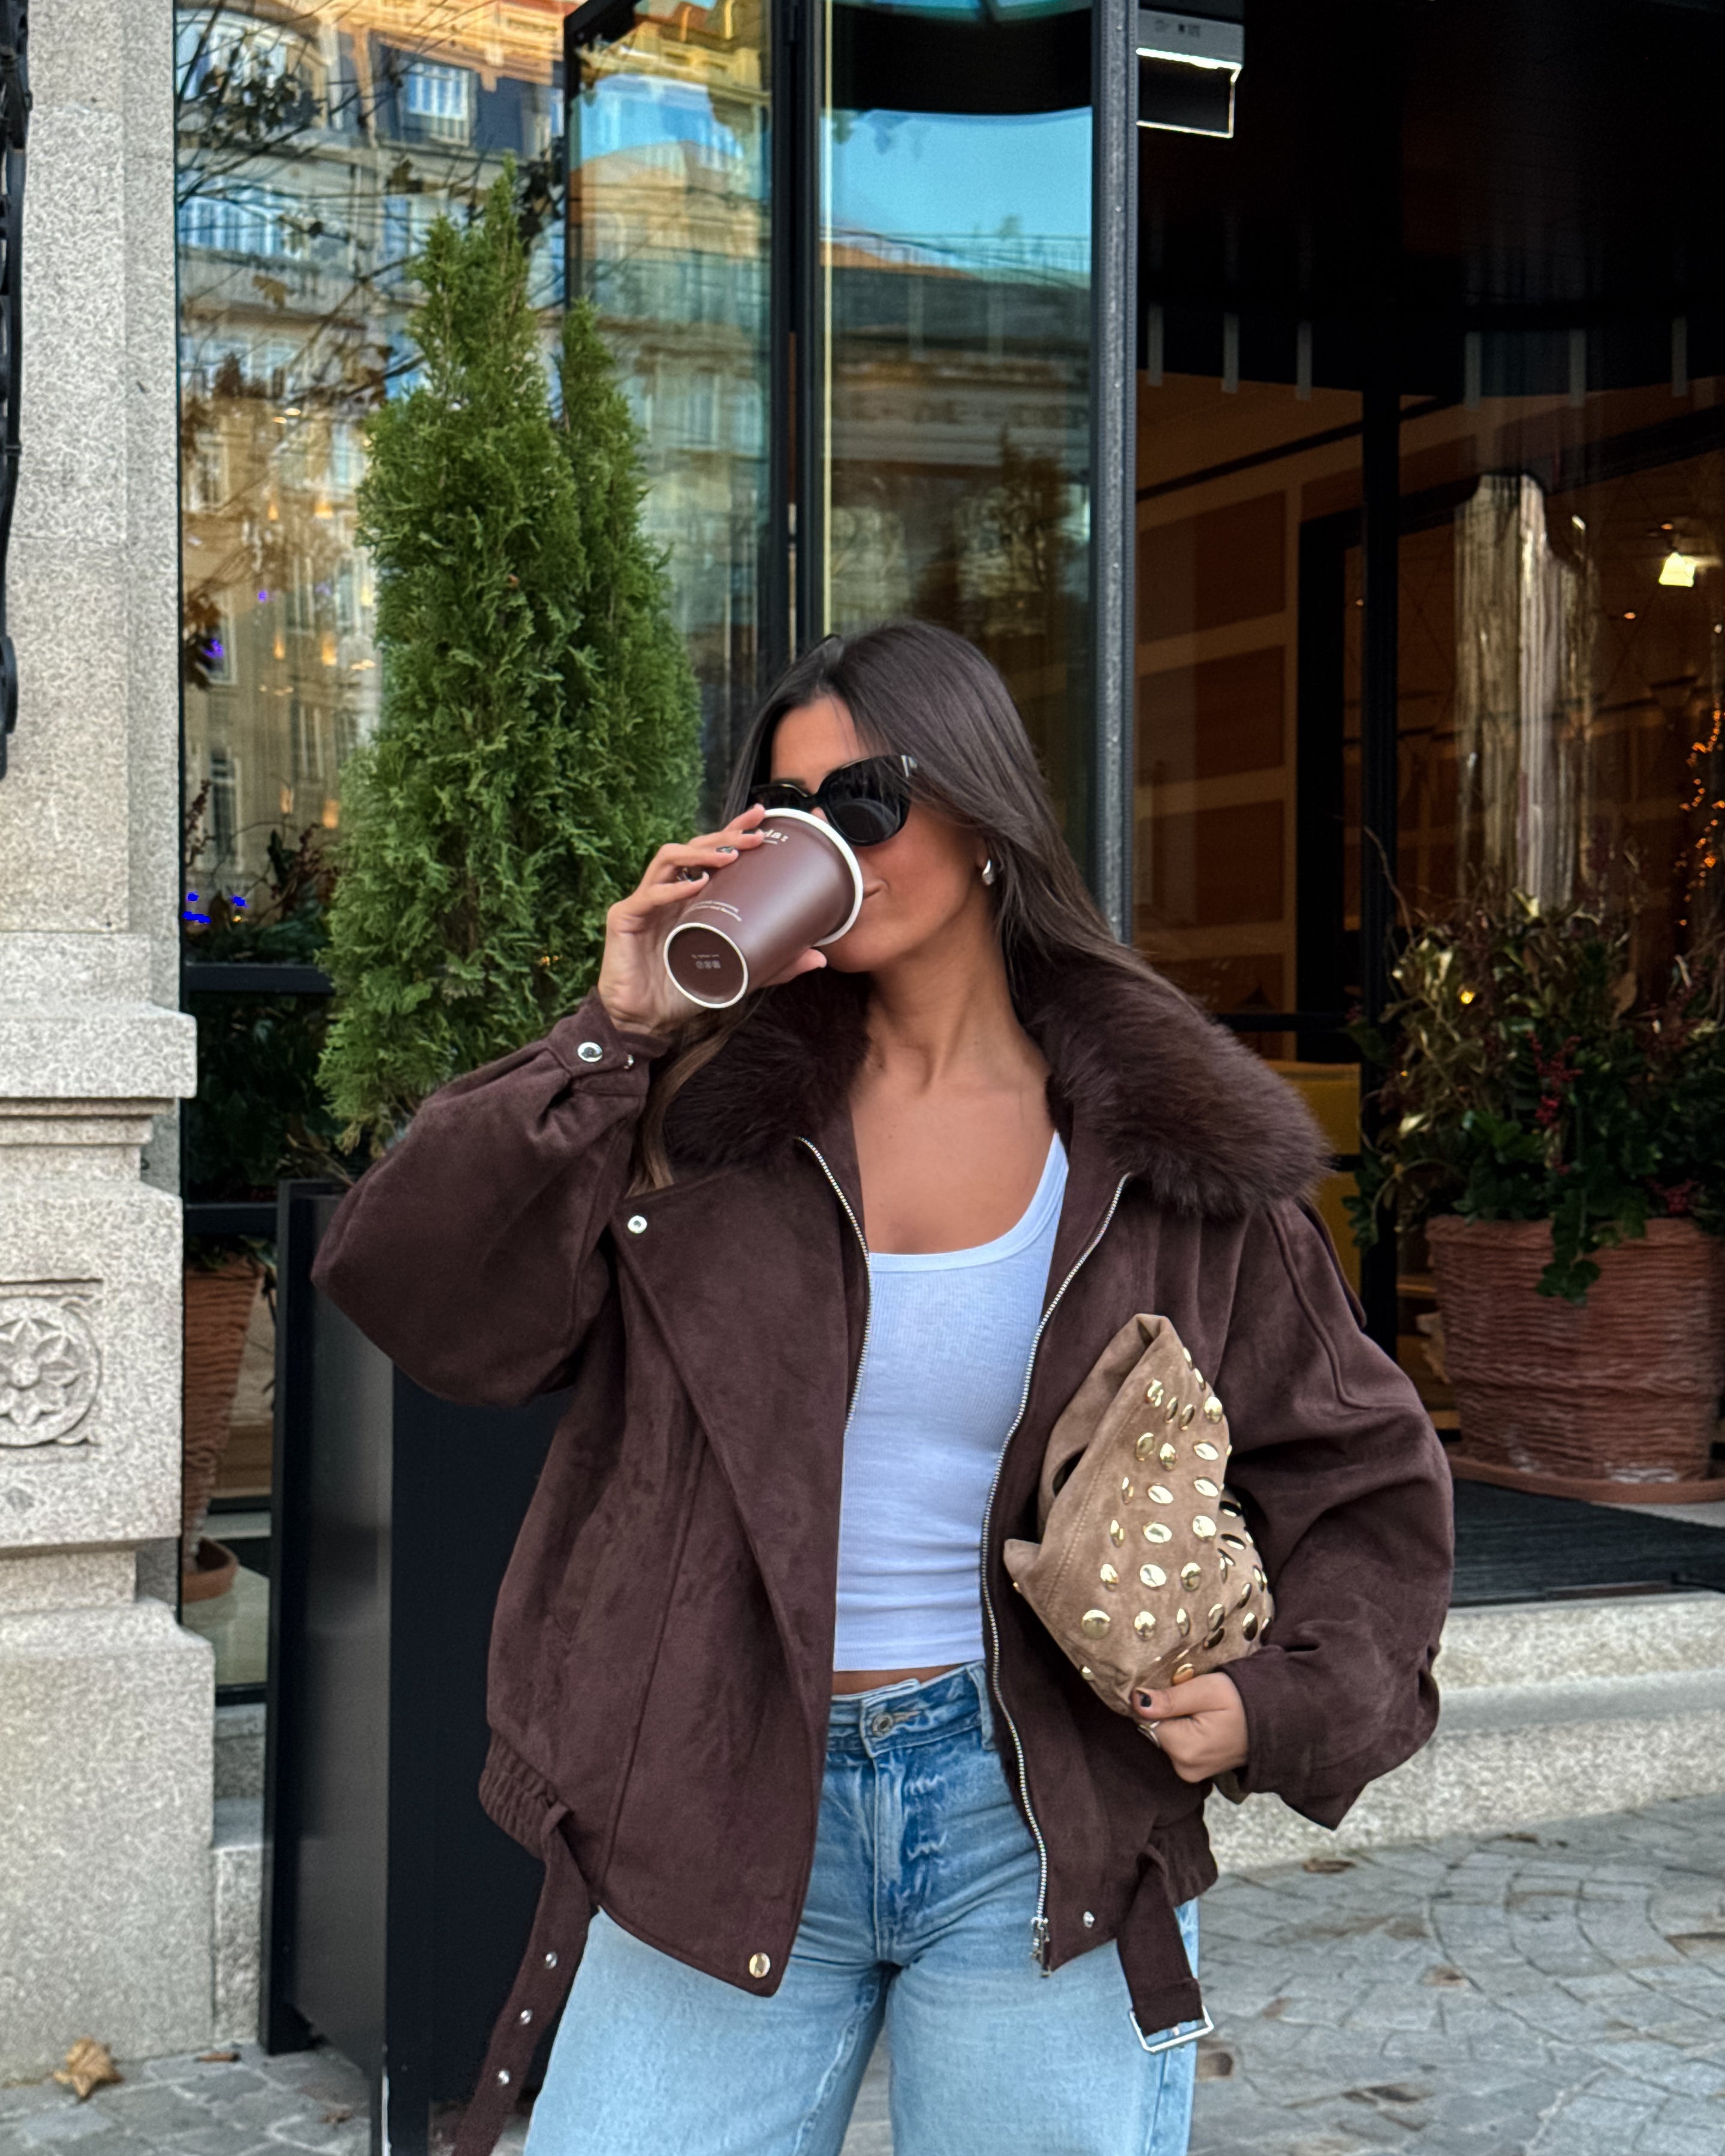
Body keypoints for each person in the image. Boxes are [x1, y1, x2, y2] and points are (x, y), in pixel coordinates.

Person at [312, 620, 1453, 2156]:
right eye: (787, 808)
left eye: (863, 797)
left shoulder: (1161, 1150)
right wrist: (618, 1028)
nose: (822, 836)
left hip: (1031, 1812)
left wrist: (1284, 1702)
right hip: (716, 1792)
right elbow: (423, 1296)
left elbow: (1363, 1468)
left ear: (980, 814)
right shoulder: (695, 1118)